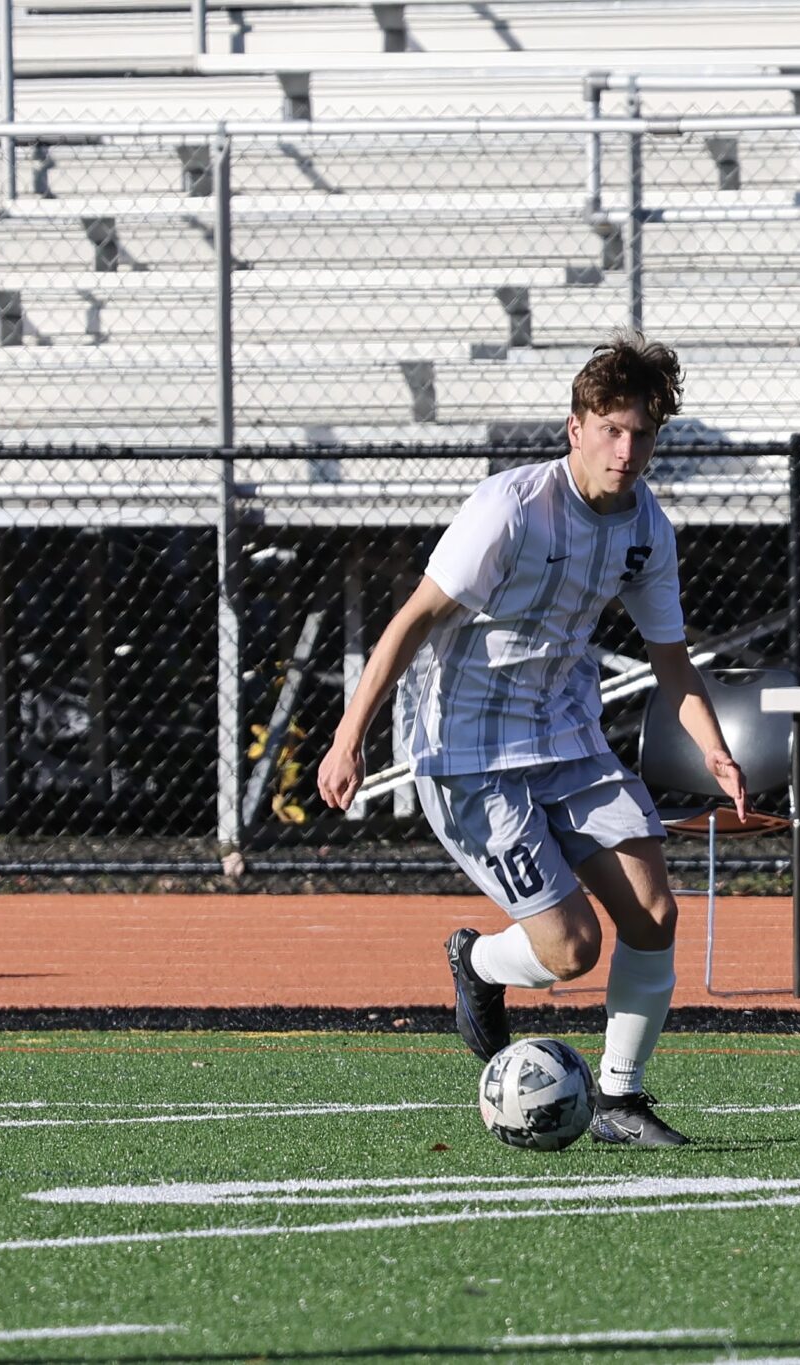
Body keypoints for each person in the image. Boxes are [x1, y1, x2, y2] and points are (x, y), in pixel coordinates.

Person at [315, 331, 747, 1148]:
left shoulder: (648, 525)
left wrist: (715, 749)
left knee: (654, 909)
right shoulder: (509, 510)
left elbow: (673, 664)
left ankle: (621, 1099)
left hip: (567, 737)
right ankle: (477, 962)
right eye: (612, 429)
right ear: (575, 428)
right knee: (571, 949)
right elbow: (411, 622)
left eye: (643, 433)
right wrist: (348, 736)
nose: (627, 450)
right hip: (470, 752)